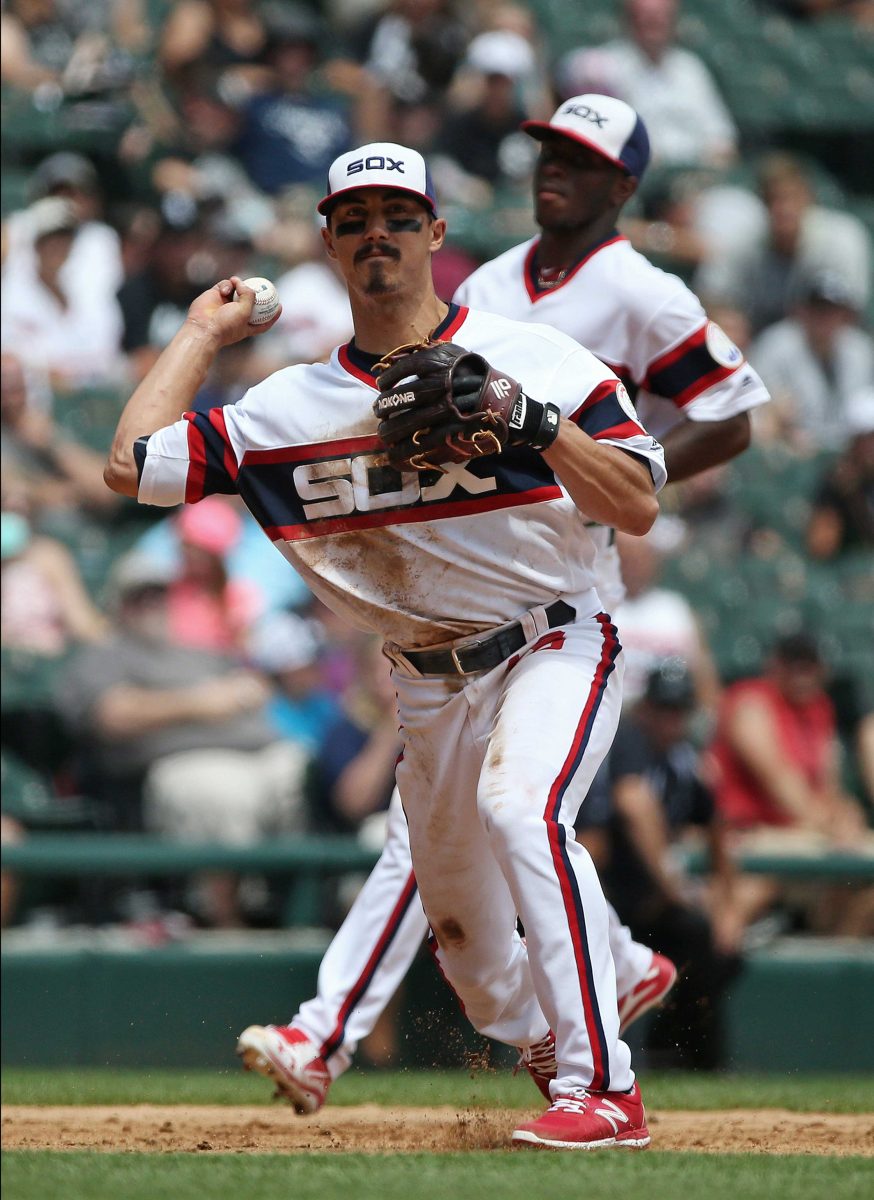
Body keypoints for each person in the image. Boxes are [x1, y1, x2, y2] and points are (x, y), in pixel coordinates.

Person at [104, 141, 667, 1150]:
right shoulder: (289, 408)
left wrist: (523, 419)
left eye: (399, 217)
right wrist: (203, 329)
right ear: (328, 239)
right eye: (355, 218)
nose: (378, 235)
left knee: (521, 806)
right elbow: (132, 462)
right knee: (477, 965)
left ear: (436, 234)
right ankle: (574, 1014)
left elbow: (634, 502)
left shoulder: (533, 357)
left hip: (552, 642)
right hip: (426, 689)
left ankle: (603, 1089)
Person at [232, 94, 768, 1117]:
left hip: (566, 582)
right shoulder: (481, 282)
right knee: (457, 841)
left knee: (498, 815)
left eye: (580, 158)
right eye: (547, 150)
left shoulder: (639, 290)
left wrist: (605, 479)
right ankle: (611, 968)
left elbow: (731, 418)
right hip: (466, 580)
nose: (553, 168)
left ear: (623, 185)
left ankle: (331, 1032)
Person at [577, 660, 744, 1070]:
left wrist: (728, 904)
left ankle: (686, 1058)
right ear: (645, 708)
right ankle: (649, 1057)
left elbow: (717, 823)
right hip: (608, 895)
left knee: (711, 946)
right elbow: (633, 805)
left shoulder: (684, 759)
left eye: (679, 710)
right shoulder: (627, 740)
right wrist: (673, 885)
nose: (671, 720)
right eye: (663, 709)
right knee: (689, 933)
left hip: (648, 905)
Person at [710, 632, 874, 937]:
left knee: (859, 889)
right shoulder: (752, 701)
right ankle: (698, 968)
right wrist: (830, 823)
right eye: (794, 666)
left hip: (802, 835)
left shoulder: (819, 708)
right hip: (747, 834)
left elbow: (828, 789)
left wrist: (844, 816)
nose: (802, 676)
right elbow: (779, 781)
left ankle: (833, 970)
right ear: (776, 666)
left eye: (809, 667)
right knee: (755, 890)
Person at [556, 0, 738, 169]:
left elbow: (722, 138)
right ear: (628, 18)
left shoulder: (690, 67)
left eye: (661, 15)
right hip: (637, 172)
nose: (654, 22)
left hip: (696, 173)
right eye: (645, 15)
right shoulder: (606, 65)